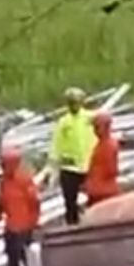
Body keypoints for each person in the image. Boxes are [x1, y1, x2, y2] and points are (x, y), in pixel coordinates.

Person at [0, 145, 41, 266]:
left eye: (5, 164)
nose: (3, 168)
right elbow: (1, 201)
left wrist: (34, 222)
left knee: (25, 257)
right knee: (11, 256)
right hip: (11, 226)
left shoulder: (24, 181)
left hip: (23, 226)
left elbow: (34, 202)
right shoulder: (4, 182)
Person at [49, 87, 96, 226]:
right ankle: (72, 223)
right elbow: (56, 143)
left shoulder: (89, 118)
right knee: (70, 200)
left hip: (88, 164)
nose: (74, 106)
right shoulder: (63, 122)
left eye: (76, 102)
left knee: (93, 196)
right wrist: (54, 162)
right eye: (71, 103)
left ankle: (91, 221)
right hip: (70, 166)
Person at [84, 111, 120, 206]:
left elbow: (112, 170)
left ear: (106, 127)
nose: (94, 130)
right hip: (97, 191)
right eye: (94, 127)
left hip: (104, 193)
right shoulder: (101, 144)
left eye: (97, 127)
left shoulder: (109, 146)